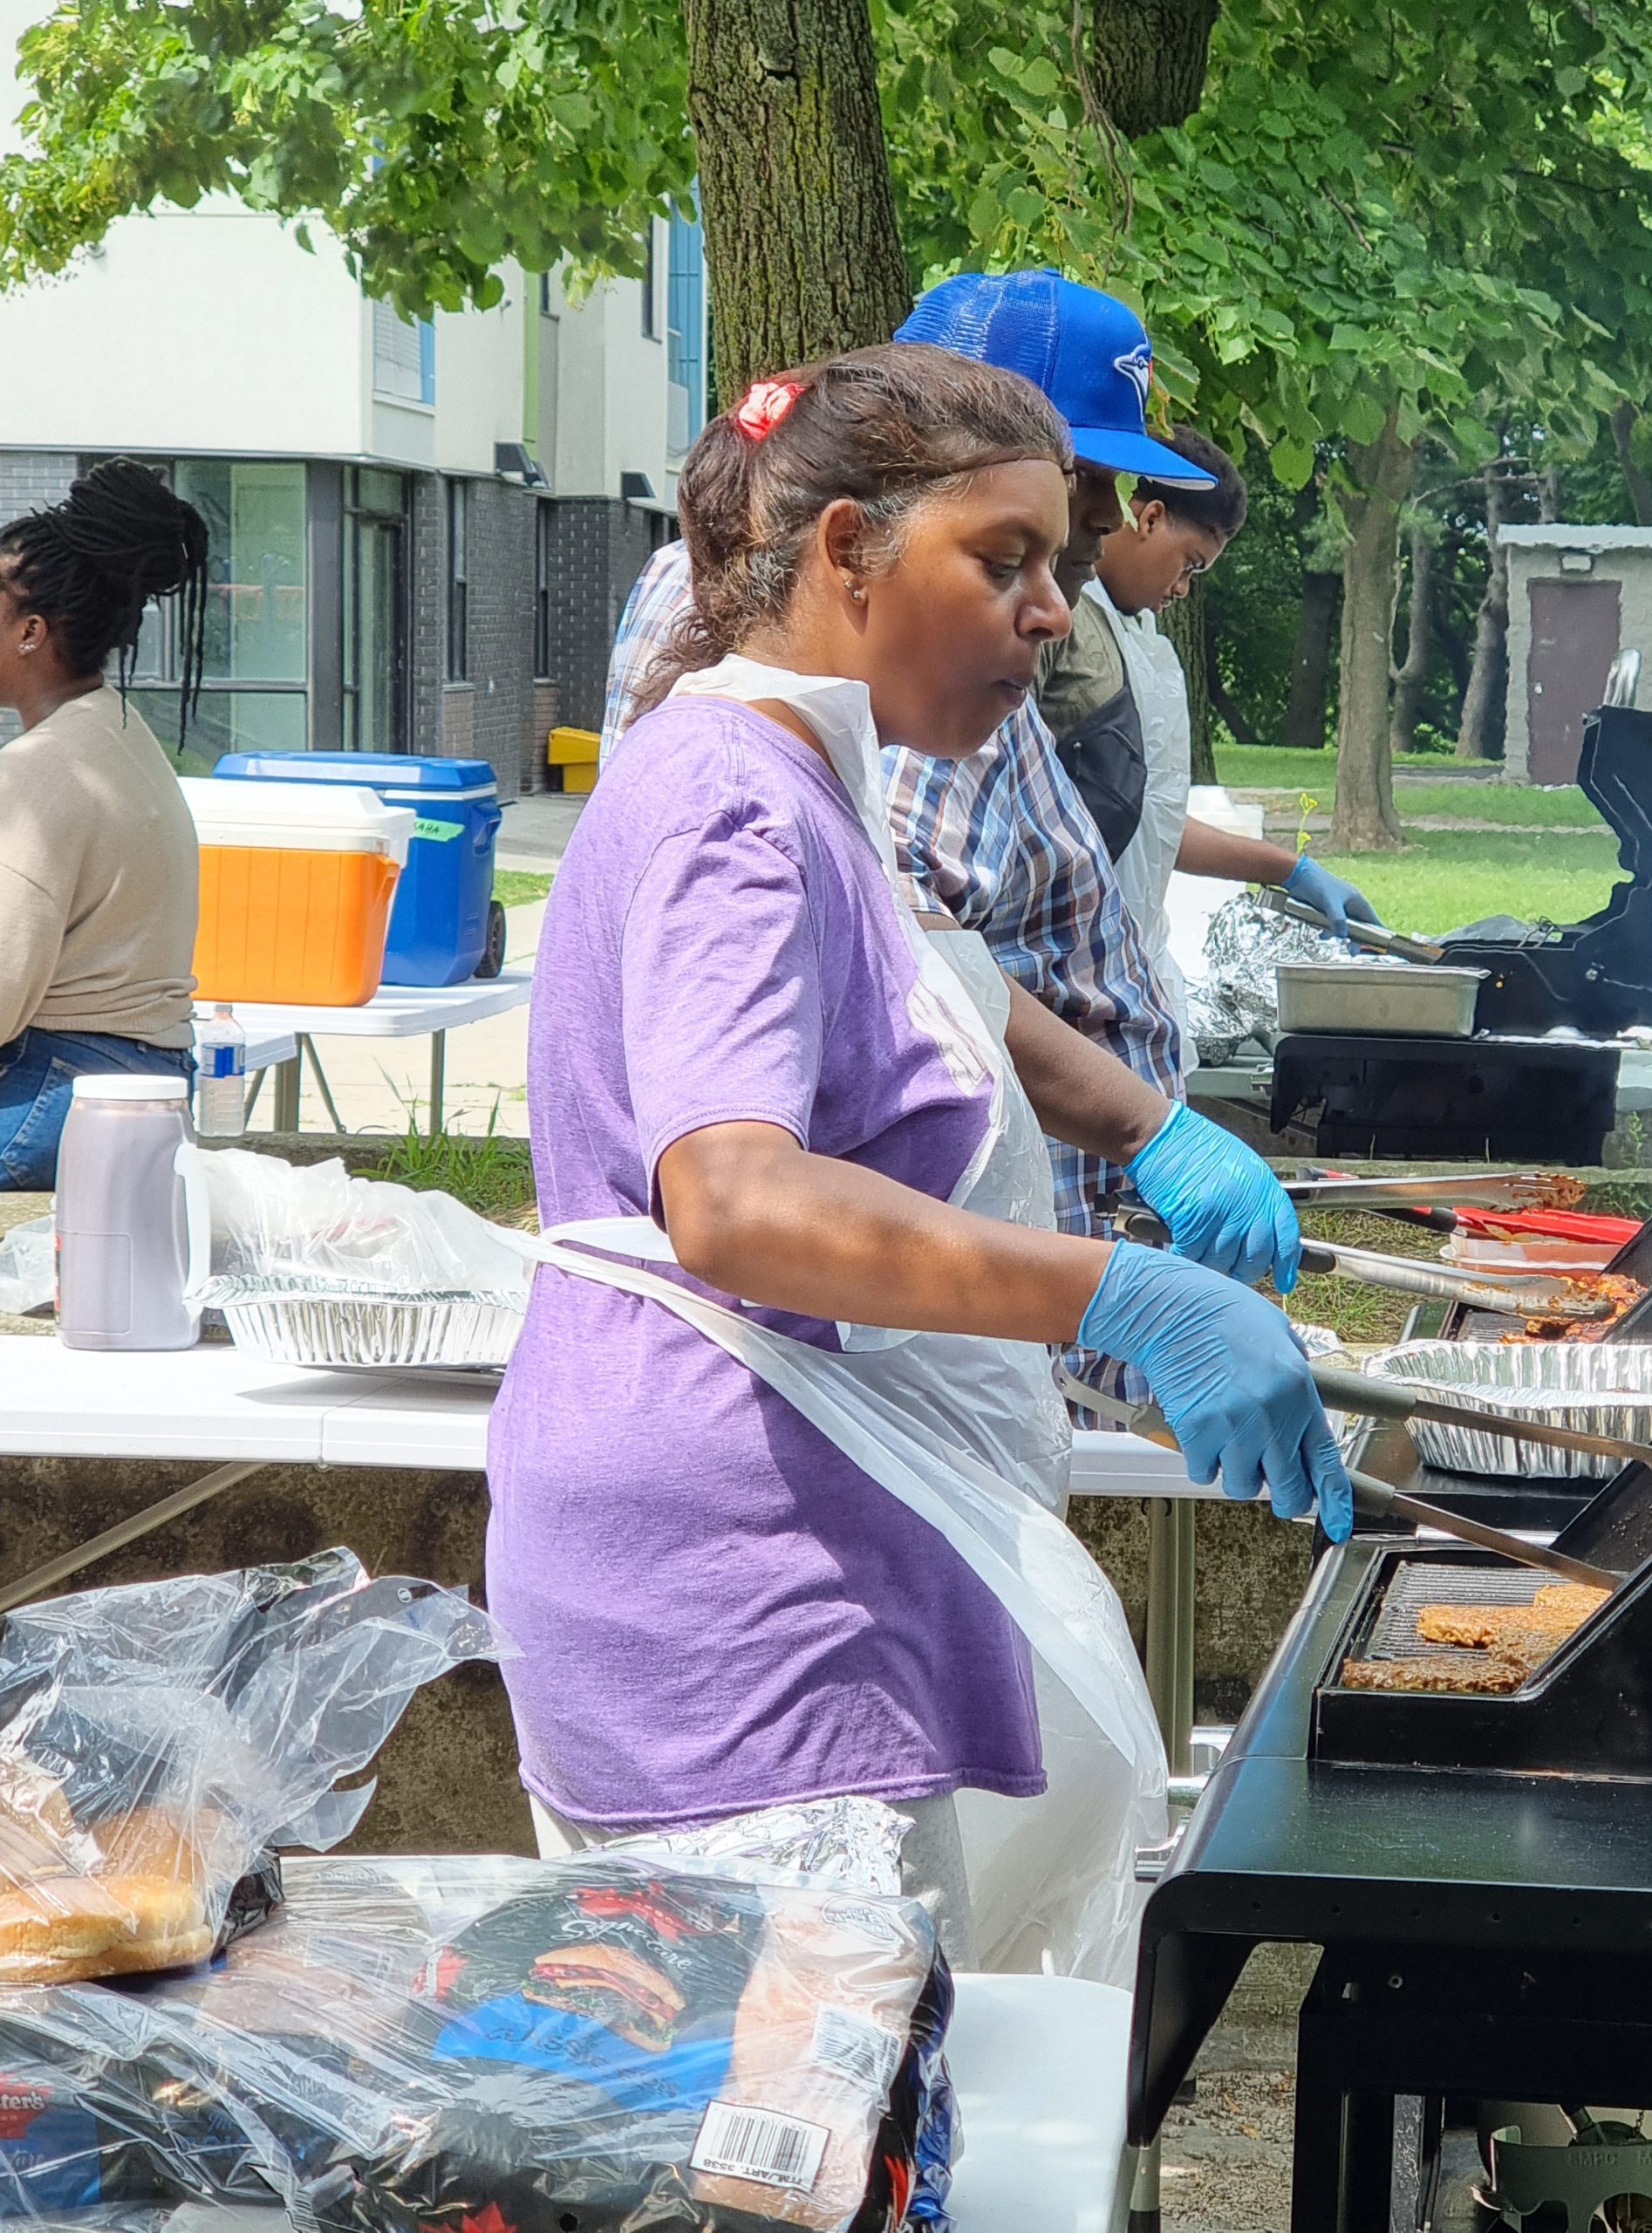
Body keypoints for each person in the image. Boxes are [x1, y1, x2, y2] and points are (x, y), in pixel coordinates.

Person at [488, 346, 1349, 1934]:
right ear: (845, 553)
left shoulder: (798, 776)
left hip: (792, 1557)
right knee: (799, 2151)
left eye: (1059, 568)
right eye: (1004, 561)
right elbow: (733, 1198)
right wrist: (1119, 1294)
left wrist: (1152, 1135)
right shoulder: (731, 801)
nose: (1047, 612)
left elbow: (932, 998)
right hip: (740, 1594)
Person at [602, 270, 1304, 1303]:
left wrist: (1147, 1134)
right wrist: (1127, 1180)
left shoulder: (870, 678)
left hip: (978, 1269)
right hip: (929, 1278)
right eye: (1009, 548)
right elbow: (891, 995)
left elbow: (902, 940)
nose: (1105, 521)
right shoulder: (751, 771)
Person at [1068, 425, 1382, 1062]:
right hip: (1063, 971)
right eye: (1191, 563)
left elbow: (1151, 824)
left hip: (1122, 964)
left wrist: (1289, 870)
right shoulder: (1068, 623)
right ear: (1150, 516)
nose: (1184, 588)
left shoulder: (1142, 638)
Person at [0, 461, 207, 1190]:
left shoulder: (37, 771)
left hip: (58, 1092)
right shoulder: (118, 732)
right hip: (142, 1084)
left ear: (30, 631)